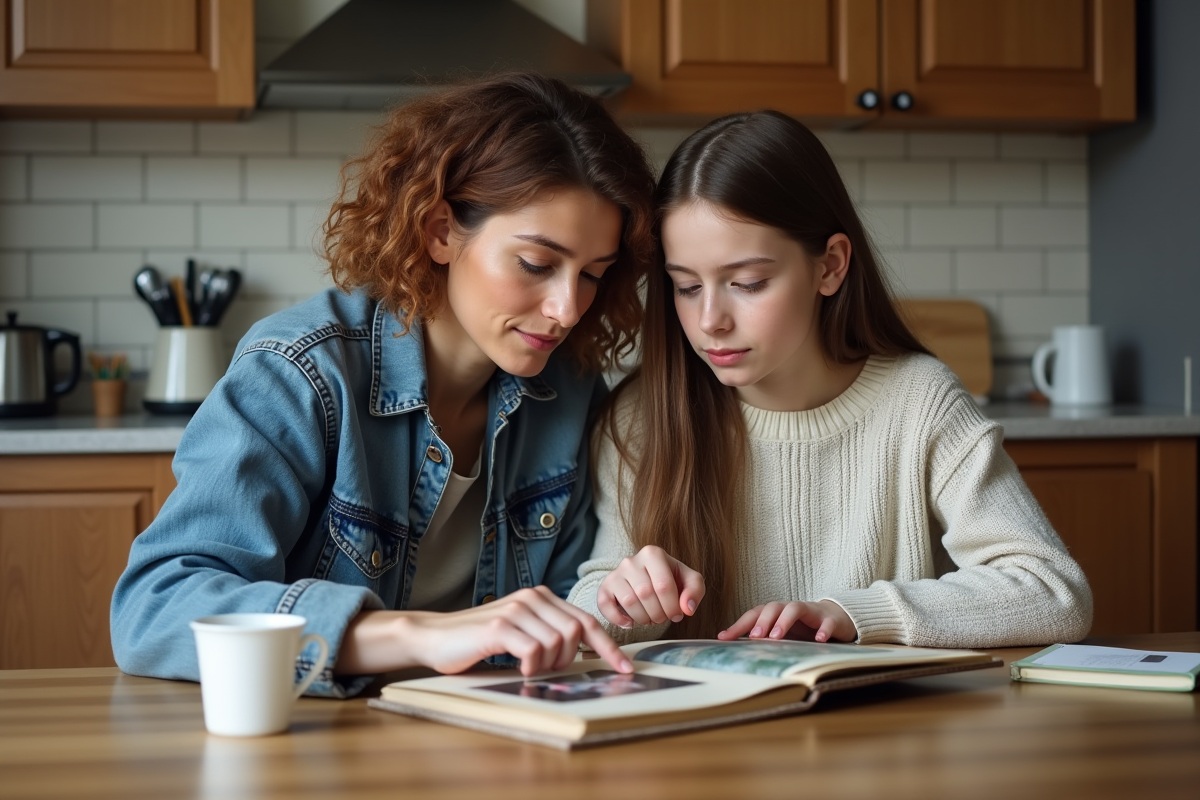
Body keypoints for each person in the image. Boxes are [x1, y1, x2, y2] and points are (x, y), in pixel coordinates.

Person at [110, 74, 656, 697]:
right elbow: (153, 607)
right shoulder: (300, 371)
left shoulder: (571, 392)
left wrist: (622, 599)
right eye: (536, 264)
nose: (567, 308)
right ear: (440, 230)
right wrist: (417, 635)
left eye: (592, 275)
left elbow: (566, 625)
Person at [568, 111, 1093, 648]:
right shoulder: (640, 416)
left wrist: (854, 613)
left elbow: (1053, 591)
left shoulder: (921, 402)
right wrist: (621, 597)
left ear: (830, 266)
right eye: (686, 287)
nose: (710, 322)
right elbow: (593, 600)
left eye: (748, 283)